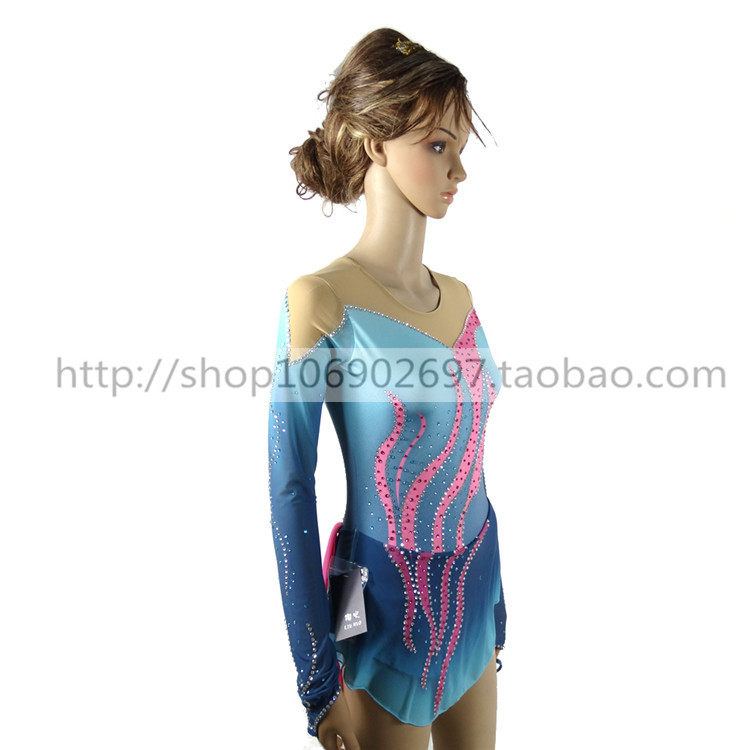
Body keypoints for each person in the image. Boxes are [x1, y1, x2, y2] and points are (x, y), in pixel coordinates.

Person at [267, 28, 507, 750]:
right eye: (437, 145)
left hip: (475, 596)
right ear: (376, 144)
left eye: (459, 147)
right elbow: (290, 489)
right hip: (373, 606)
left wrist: (499, 600)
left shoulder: (461, 299)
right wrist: (318, 677)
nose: (458, 168)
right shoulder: (320, 301)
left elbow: (472, 464)